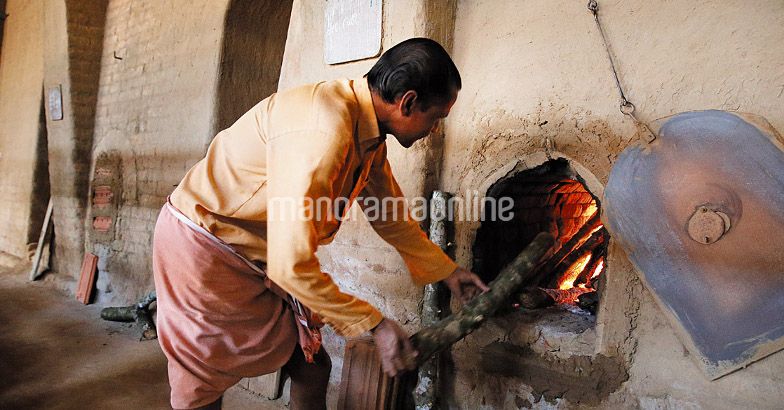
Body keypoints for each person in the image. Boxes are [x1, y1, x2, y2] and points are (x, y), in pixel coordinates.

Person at [152, 37, 489, 410]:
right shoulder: (325, 131)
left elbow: (390, 215)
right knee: (204, 376)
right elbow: (290, 268)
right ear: (407, 102)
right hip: (202, 247)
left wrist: (448, 272)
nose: (435, 130)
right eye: (437, 118)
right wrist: (374, 325)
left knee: (311, 363)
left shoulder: (368, 132)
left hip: (254, 254)